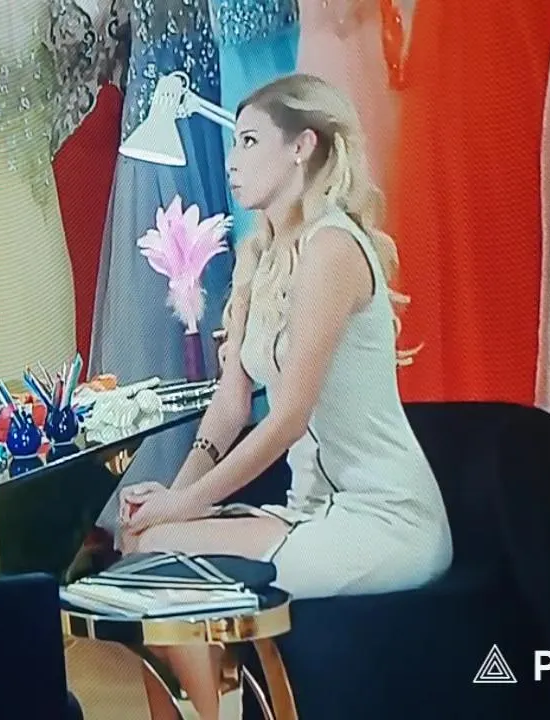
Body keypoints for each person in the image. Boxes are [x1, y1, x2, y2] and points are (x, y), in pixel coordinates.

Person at [117, 74, 453, 720]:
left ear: (302, 146)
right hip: (311, 511)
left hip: (383, 519)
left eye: (248, 141)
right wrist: (167, 501)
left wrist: (182, 506)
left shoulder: (333, 247)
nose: (232, 159)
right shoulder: (260, 254)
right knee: (143, 542)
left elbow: (290, 416)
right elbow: (231, 406)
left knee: (159, 557)